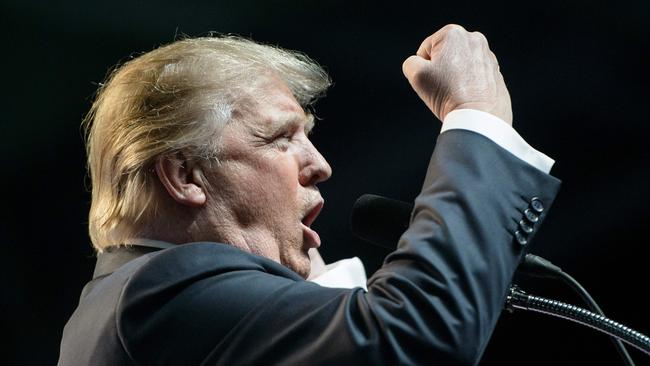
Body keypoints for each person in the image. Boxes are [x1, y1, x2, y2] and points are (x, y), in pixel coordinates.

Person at [59, 25, 560, 365]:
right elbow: (417, 333)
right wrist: (476, 116)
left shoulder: (128, 303)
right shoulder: (160, 291)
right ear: (185, 175)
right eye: (281, 137)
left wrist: (314, 296)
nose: (320, 165)